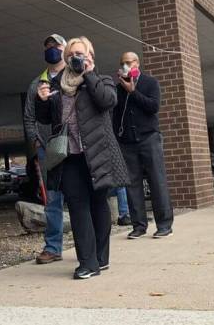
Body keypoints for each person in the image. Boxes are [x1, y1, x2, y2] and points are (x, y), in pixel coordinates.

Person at [47, 37, 129, 279]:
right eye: (72, 53)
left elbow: (107, 101)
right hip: (70, 155)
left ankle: (101, 258)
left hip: (97, 154)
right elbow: (46, 118)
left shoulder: (102, 80)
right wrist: (42, 100)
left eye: (81, 53)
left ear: (91, 56)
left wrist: (89, 74)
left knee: (98, 204)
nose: (76, 57)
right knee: (77, 206)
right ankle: (88, 262)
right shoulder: (57, 85)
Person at [112, 52, 174, 239]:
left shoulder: (150, 82)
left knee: (157, 180)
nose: (125, 66)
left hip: (149, 138)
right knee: (132, 184)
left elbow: (153, 107)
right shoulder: (118, 88)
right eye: (122, 63)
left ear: (137, 63)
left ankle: (164, 224)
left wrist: (133, 91)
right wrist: (117, 137)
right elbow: (116, 115)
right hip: (127, 141)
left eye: (129, 63)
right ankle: (139, 225)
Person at [23, 33, 67, 264]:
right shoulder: (36, 83)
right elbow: (29, 117)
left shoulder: (74, 75)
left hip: (74, 146)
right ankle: (53, 247)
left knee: (80, 198)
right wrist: (36, 142)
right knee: (52, 201)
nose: (51, 48)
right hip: (47, 149)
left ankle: (88, 246)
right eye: (48, 44)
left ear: (65, 49)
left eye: (56, 45)